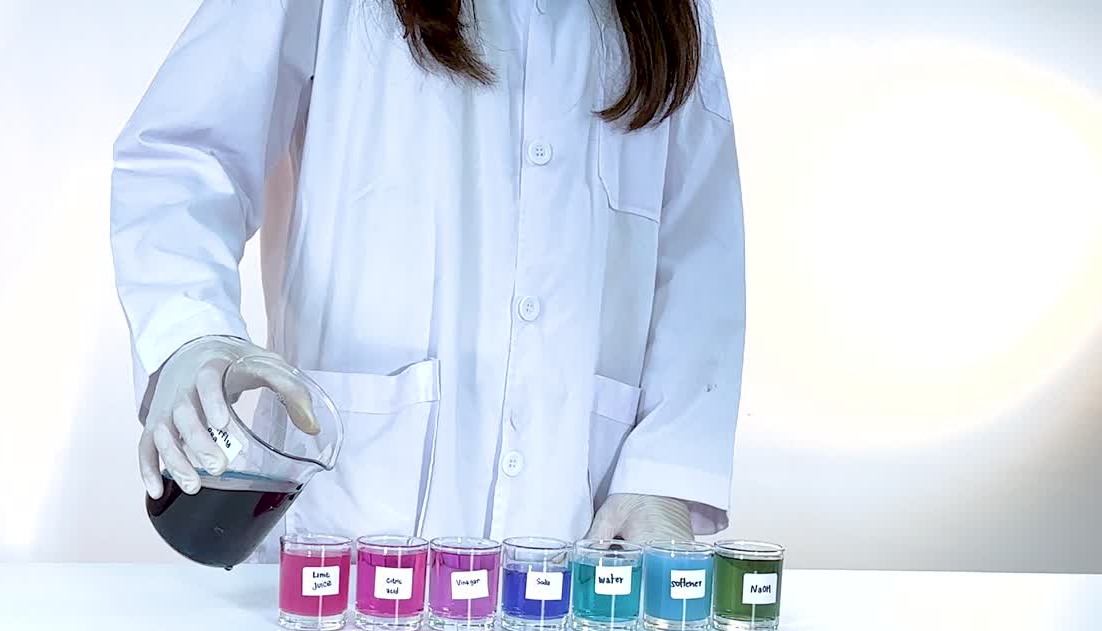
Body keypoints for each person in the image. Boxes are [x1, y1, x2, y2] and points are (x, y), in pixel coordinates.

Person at [111, 0, 745, 558]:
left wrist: (663, 474)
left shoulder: (673, 12)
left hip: (579, 542)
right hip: (352, 531)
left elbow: (698, 254)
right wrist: (189, 332)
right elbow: (187, 155)